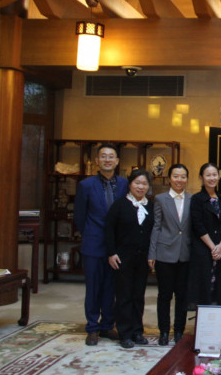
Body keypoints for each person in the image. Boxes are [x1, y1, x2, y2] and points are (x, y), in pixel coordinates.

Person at [74, 143, 128, 346]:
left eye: (111, 156)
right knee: (94, 287)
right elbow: (80, 217)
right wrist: (90, 234)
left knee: (110, 287)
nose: (107, 159)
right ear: (97, 161)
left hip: (116, 247)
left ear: (117, 161)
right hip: (94, 245)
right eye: (103, 156)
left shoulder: (124, 184)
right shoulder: (86, 185)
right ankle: (92, 327)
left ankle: (107, 325)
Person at [105, 168, 155, 349]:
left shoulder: (151, 206)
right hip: (122, 259)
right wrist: (111, 253)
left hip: (142, 259)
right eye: (137, 183)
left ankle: (137, 331)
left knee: (138, 296)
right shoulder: (119, 205)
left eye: (144, 184)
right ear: (130, 184)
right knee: (124, 296)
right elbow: (109, 230)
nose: (140, 187)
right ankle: (124, 333)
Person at [148, 164, 192, 346]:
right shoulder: (160, 199)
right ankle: (164, 331)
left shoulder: (192, 199)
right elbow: (156, 226)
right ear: (170, 178)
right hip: (164, 252)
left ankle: (179, 330)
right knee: (164, 295)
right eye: (176, 176)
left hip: (185, 254)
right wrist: (152, 253)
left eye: (183, 176)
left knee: (182, 295)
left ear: (187, 179)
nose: (179, 180)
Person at [188, 163, 221, 308]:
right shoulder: (197, 199)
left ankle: (218, 324)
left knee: (219, 288)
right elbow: (198, 225)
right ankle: (205, 326)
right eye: (208, 175)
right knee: (203, 288)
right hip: (203, 250)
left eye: (214, 175)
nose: (212, 178)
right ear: (201, 177)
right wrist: (212, 247)